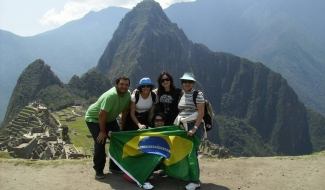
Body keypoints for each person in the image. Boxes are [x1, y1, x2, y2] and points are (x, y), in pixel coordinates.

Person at [85, 76, 131, 179]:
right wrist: (102, 131)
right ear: (116, 84)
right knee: (100, 142)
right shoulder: (111, 95)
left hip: (110, 119)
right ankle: (99, 170)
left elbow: (124, 112)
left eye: (126, 85)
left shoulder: (127, 94)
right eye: (121, 84)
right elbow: (102, 114)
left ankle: (114, 166)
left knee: (117, 140)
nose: (124, 86)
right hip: (94, 119)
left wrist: (121, 129)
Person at [174, 72, 204, 190]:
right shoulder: (183, 94)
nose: (187, 84)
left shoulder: (197, 94)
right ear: (182, 83)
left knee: (192, 153)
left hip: (193, 125)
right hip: (183, 126)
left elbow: (201, 113)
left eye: (190, 82)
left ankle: (196, 181)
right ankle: (188, 176)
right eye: (185, 81)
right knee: (184, 152)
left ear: (193, 83)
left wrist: (195, 128)